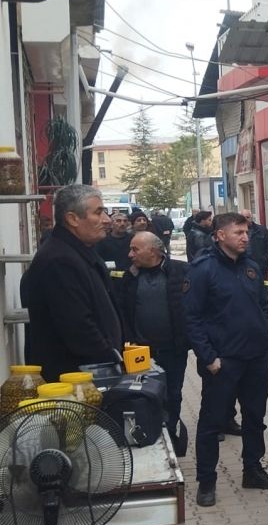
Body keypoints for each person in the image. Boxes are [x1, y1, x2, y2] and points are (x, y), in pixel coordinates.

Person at [183, 212, 268, 507]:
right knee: (212, 422)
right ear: (220, 235)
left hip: (256, 359)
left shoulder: (251, 266)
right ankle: (206, 481)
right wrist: (209, 358)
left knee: (255, 419)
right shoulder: (203, 269)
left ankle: (253, 470)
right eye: (238, 232)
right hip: (223, 363)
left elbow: (264, 308)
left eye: (246, 232)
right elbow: (191, 318)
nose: (245, 237)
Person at [20, 184, 120, 382]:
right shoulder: (59, 260)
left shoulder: (79, 251)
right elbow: (78, 327)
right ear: (73, 219)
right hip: (75, 381)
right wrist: (110, 359)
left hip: (87, 375)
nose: (107, 220)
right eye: (98, 212)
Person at [116, 231, 190, 435]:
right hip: (140, 353)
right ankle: (150, 430)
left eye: (135, 249)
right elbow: (122, 312)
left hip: (173, 350)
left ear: (153, 251)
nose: (130, 254)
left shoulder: (180, 271)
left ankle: (171, 432)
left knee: (173, 393)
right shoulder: (129, 276)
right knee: (144, 394)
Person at [243, 209, 268, 276]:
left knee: (263, 282)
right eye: (243, 217)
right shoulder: (238, 232)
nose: (245, 219)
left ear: (251, 218)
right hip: (244, 267)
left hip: (261, 267)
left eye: (247, 217)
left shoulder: (261, 230)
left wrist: (264, 260)